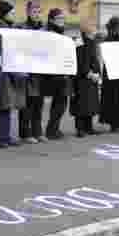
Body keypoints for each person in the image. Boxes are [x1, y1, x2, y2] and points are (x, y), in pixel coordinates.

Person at [0, 0, 26, 148]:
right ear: (4, 14)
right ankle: (0, 138)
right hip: (1, 72)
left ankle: (6, 136)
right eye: (12, 12)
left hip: (10, 71)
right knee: (1, 106)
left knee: (7, 105)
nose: (14, 14)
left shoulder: (11, 27)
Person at [18, 1, 46, 144]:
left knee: (38, 104)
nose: (37, 14)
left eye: (39, 11)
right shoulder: (22, 27)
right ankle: (25, 133)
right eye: (34, 11)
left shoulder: (43, 28)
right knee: (27, 105)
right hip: (28, 71)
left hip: (40, 71)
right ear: (28, 12)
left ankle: (38, 132)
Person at [42, 8, 70, 140]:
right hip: (54, 74)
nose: (62, 21)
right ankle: (51, 130)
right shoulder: (50, 33)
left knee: (61, 103)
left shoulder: (60, 32)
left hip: (62, 72)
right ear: (52, 20)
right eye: (59, 18)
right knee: (59, 103)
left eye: (63, 18)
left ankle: (54, 128)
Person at [71, 28, 102, 136]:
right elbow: (79, 60)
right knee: (81, 104)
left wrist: (97, 73)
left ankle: (89, 127)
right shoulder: (79, 42)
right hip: (82, 78)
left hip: (92, 77)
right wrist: (88, 73)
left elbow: (95, 59)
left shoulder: (92, 42)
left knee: (90, 104)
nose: (95, 32)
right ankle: (80, 128)